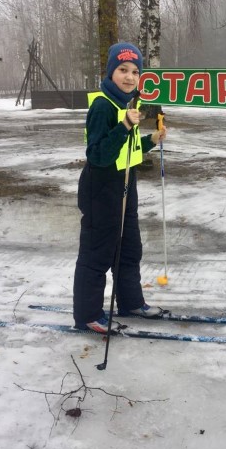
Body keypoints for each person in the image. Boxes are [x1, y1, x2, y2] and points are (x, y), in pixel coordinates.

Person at [73, 42, 167, 333]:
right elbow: (98, 155)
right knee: (98, 253)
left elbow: (126, 150)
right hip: (101, 190)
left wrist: (150, 141)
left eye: (135, 72)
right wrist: (125, 125)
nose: (129, 77)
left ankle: (130, 302)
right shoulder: (103, 105)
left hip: (125, 186)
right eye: (123, 70)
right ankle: (88, 315)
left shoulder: (125, 104)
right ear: (111, 72)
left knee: (129, 249)